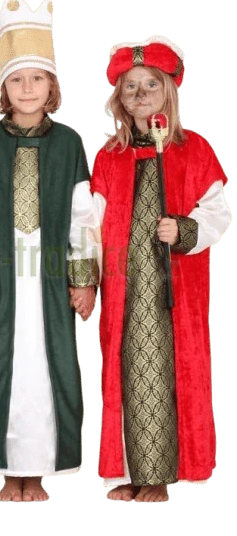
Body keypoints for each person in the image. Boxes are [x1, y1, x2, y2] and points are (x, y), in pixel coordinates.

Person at [0, 0, 98, 503]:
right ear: (4, 88)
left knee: (46, 368)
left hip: (50, 279)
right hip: (0, 278)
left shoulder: (69, 143)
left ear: (53, 86)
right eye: (17, 79)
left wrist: (84, 280)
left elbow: (82, 217)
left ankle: (35, 473)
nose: (28, 88)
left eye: (38, 78)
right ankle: (5, 470)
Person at [90, 36, 231, 504]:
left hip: (176, 291)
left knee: (174, 372)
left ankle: (162, 474)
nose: (141, 93)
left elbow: (217, 213)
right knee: (126, 373)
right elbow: (90, 222)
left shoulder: (193, 149)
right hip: (125, 291)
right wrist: (86, 274)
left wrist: (185, 230)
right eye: (131, 87)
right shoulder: (110, 156)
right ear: (119, 99)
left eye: (151, 84)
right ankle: (130, 470)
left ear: (169, 91)